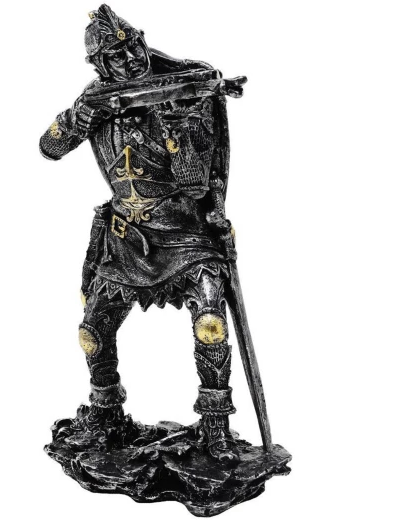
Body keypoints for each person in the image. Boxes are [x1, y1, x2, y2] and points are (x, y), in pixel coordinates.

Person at [40, 4, 239, 461]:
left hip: (186, 235)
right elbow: (49, 146)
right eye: (117, 55)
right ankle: (106, 415)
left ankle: (216, 429)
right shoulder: (95, 100)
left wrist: (180, 131)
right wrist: (80, 116)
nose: (131, 59)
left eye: (134, 47)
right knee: (94, 330)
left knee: (210, 324)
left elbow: (197, 184)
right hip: (126, 235)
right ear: (99, 64)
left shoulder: (183, 90)